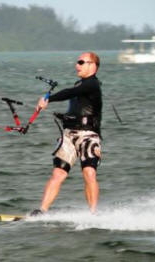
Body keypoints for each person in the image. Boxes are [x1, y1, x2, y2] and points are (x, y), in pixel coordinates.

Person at [31, 52, 102, 216]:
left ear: (92, 65)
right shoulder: (80, 85)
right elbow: (76, 106)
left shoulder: (92, 85)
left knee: (89, 172)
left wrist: (49, 99)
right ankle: (42, 210)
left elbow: (68, 92)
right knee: (58, 173)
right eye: (77, 62)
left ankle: (93, 213)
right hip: (69, 135)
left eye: (81, 62)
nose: (77, 65)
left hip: (88, 136)